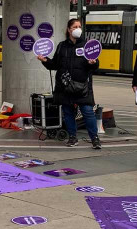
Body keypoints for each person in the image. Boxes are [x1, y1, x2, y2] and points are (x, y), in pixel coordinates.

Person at [37, 18, 101, 149]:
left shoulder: (87, 45)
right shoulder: (62, 46)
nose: (78, 29)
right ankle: (72, 137)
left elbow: (95, 65)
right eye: (74, 27)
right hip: (65, 86)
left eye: (79, 26)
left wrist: (94, 63)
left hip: (82, 86)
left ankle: (94, 138)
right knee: (68, 113)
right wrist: (45, 60)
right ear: (68, 30)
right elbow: (55, 65)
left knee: (88, 112)